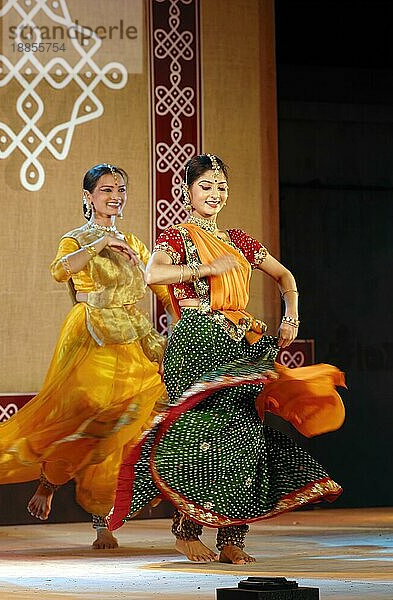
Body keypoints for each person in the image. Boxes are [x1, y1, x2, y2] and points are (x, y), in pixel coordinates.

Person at [108, 154, 345, 564]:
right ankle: (186, 529)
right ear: (187, 191)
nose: (214, 194)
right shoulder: (178, 237)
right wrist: (203, 267)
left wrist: (291, 315)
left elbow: (286, 277)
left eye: (221, 187)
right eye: (206, 186)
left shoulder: (238, 240)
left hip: (238, 342)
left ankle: (233, 537)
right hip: (197, 343)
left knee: (248, 439)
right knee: (201, 438)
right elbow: (153, 275)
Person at [0, 163, 172, 549]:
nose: (115, 196)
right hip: (90, 332)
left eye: (120, 189)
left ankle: (102, 519)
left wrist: (184, 313)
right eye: (106, 190)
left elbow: (155, 286)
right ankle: (49, 479)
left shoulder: (135, 243)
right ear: (87, 196)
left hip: (132, 335)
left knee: (125, 423)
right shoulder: (75, 240)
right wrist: (100, 244)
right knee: (89, 410)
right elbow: (60, 271)